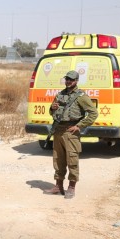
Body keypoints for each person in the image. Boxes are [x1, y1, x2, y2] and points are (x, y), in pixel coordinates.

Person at [48, 70, 98, 198]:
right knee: (58, 159)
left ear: (76, 81)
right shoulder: (60, 94)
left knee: (72, 160)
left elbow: (93, 113)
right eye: (67, 79)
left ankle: (71, 187)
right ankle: (58, 186)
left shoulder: (81, 96)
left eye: (71, 79)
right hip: (58, 130)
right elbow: (52, 112)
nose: (68, 81)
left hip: (71, 131)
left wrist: (79, 126)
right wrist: (52, 108)